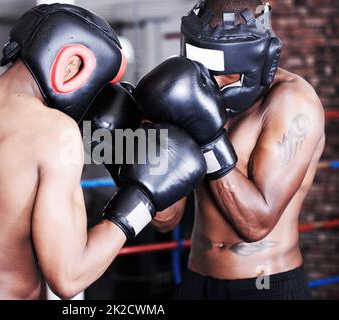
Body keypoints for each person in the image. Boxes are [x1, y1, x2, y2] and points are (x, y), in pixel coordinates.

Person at [0, 3, 206, 300]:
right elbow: (68, 278)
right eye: (98, 85)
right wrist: (141, 201)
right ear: (72, 65)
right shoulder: (54, 131)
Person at [134, 0, 325, 299]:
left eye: (227, 73)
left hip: (264, 286)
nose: (214, 82)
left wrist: (208, 137)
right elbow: (167, 219)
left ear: (257, 60)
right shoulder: (192, 94)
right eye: (205, 70)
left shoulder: (292, 102)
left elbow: (256, 224)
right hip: (196, 282)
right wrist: (141, 148)